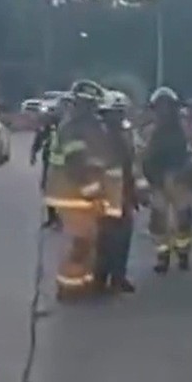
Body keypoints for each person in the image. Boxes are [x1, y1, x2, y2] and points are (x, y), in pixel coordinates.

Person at [42, 83, 122, 300]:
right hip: (72, 195)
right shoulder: (73, 127)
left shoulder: (87, 126)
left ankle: (82, 284)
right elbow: (76, 162)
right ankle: (68, 287)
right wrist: (93, 191)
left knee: (88, 243)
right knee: (80, 243)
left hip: (80, 196)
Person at [140, 88, 192, 273]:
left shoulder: (185, 129)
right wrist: (149, 179)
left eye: (166, 107)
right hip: (158, 179)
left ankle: (183, 253)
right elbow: (144, 156)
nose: (163, 111)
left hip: (179, 178)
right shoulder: (149, 131)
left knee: (183, 219)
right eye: (159, 107)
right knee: (158, 221)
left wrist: (190, 173)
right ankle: (162, 256)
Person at [92, 101, 139, 294]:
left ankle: (117, 277)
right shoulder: (99, 137)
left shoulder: (125, 137)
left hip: (122, 195)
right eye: (115, 114)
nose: (118, 118)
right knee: (105, 239)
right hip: (104, 195)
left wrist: (135, 193)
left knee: (121, 239)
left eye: (120, 114)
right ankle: (101, 278)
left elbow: (132, 167)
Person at [29, 102, 62, 230]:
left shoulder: (65, 127)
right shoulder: (46, 128)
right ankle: (52, 218)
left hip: (64, 165)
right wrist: (33, 154)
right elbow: (39, 140)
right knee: (47, 190)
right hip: (49, 162)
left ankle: (60, 218)